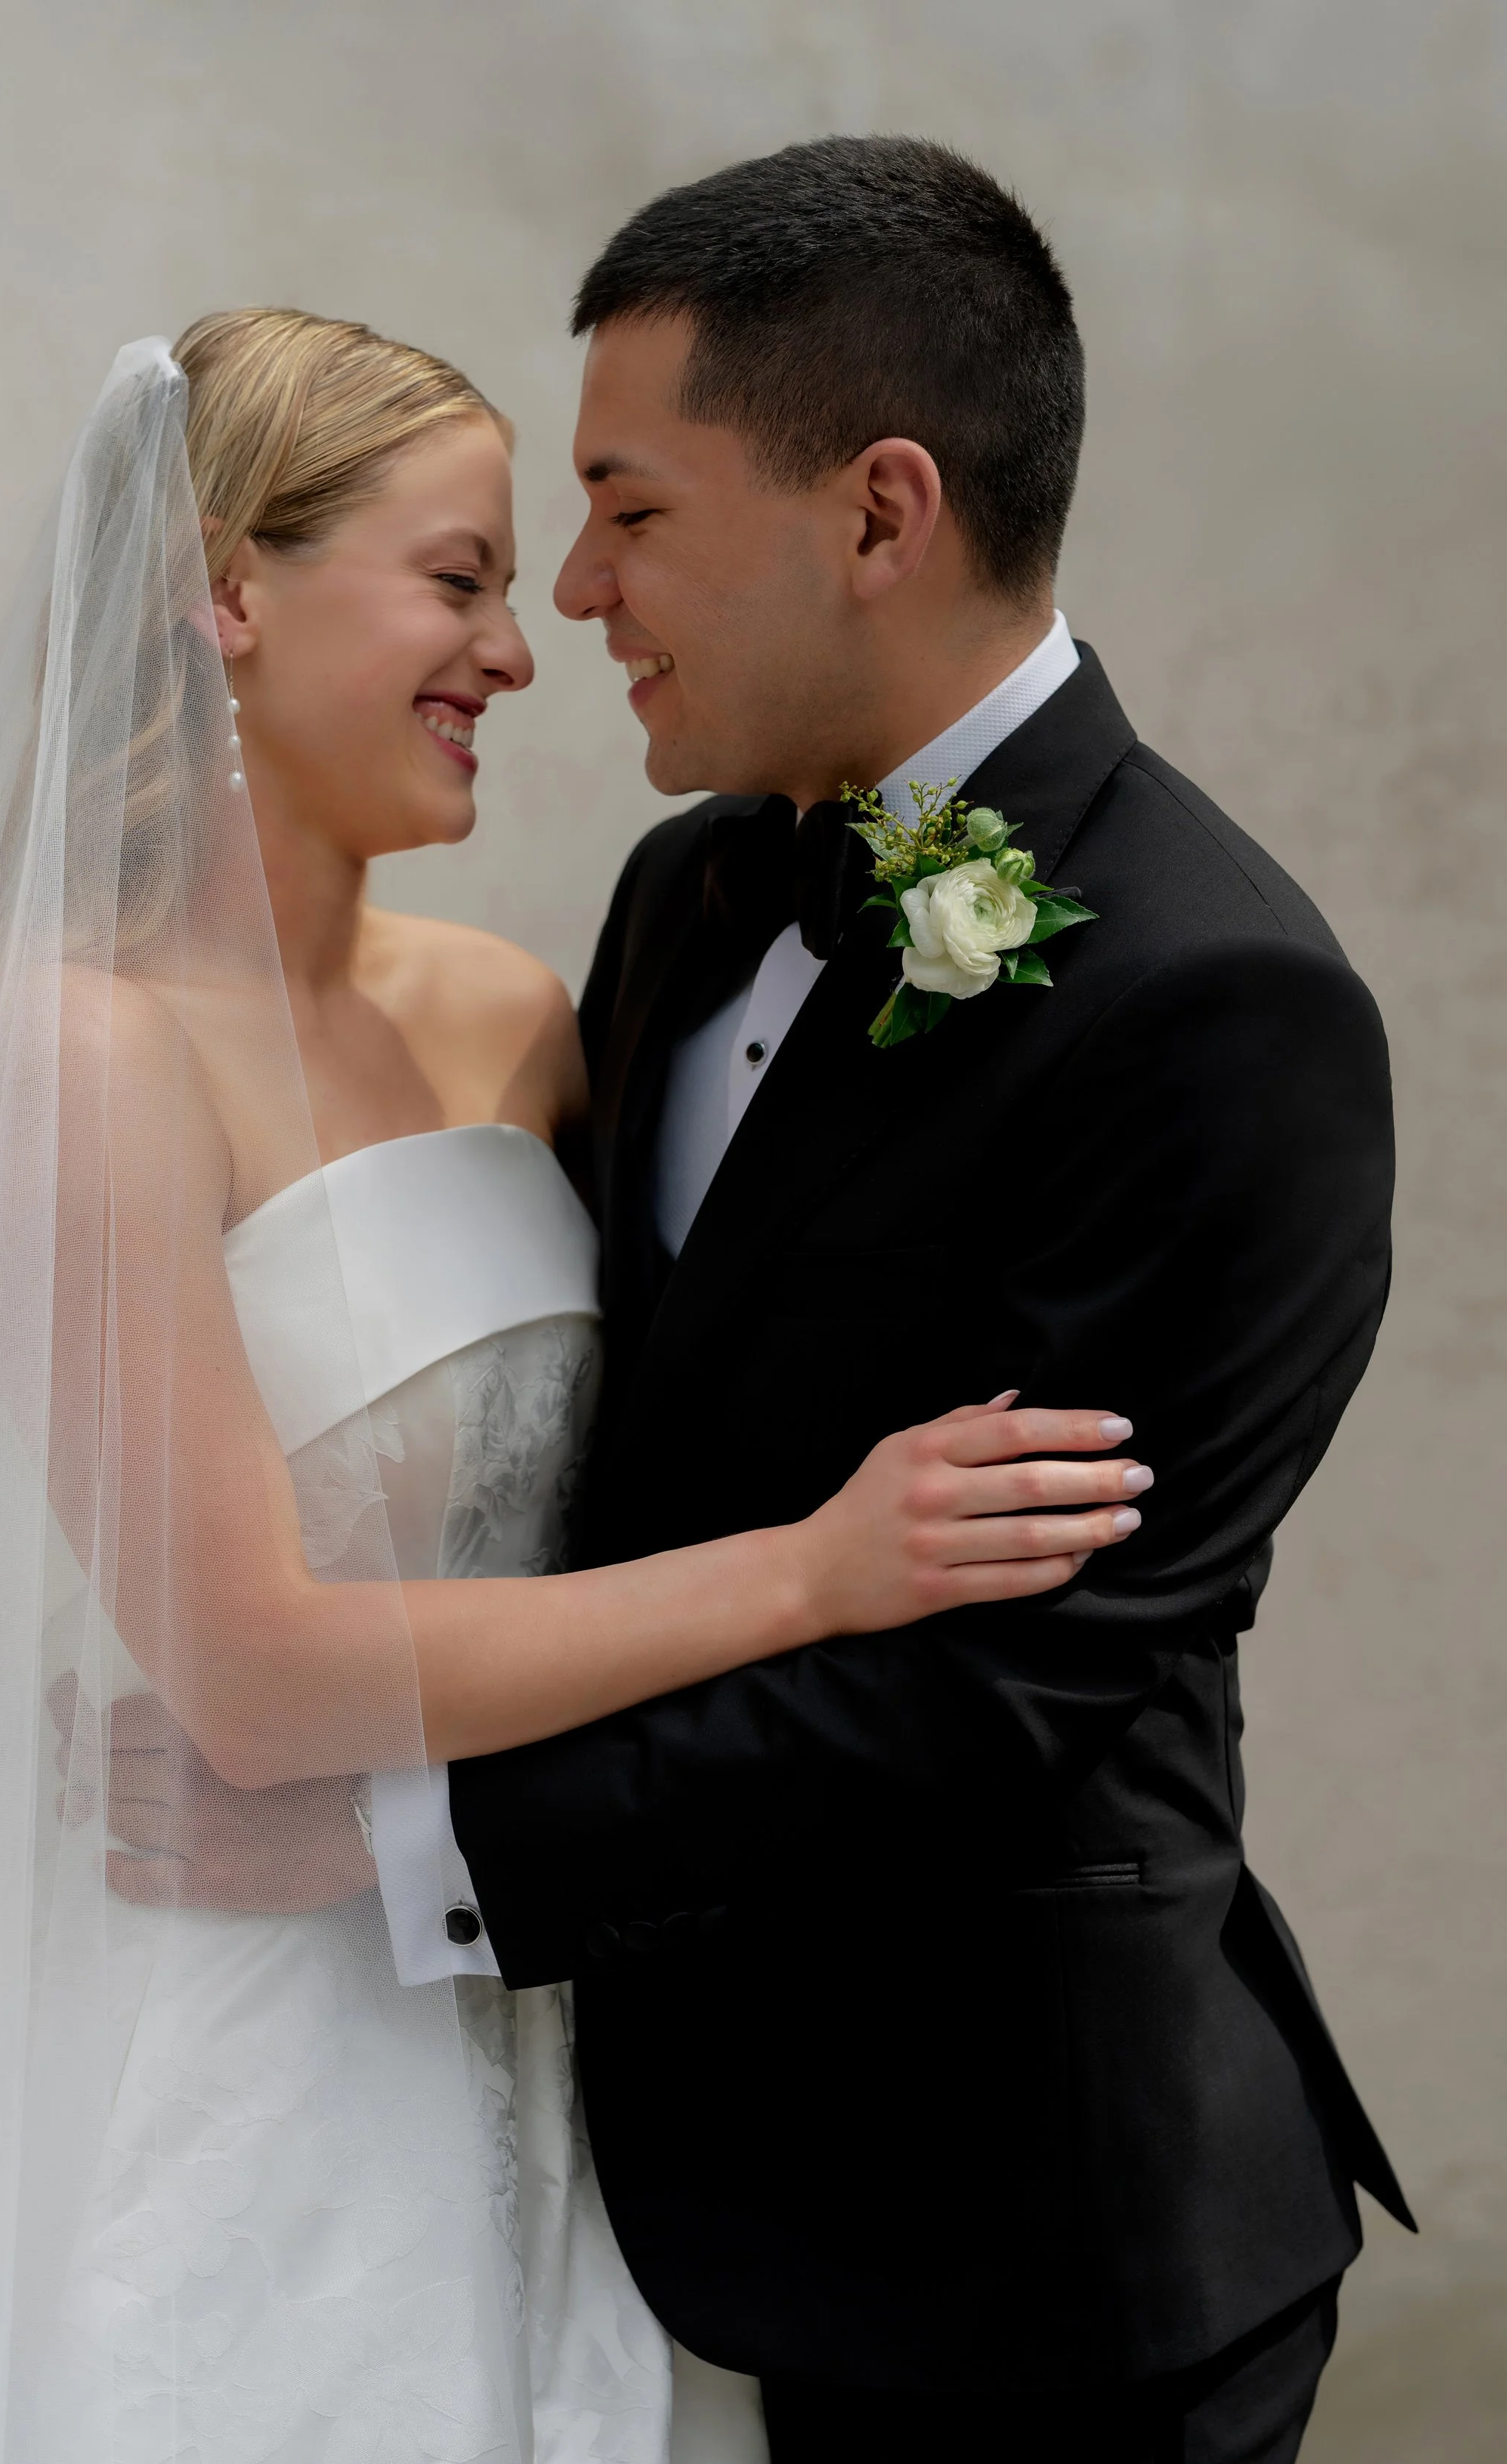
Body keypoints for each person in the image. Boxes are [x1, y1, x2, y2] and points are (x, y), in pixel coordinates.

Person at [0, 310, 1142, 2462]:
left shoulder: (519, 1012)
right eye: (455, 577)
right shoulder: (77, 1053)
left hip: (536, 2014)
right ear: (228, 593)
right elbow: (254, 1674)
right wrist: (815, 1575)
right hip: (221, 2030)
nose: (520, 647)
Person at [143, 142, 1414, 2464]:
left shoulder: (1223, 1004)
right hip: (618, 2185)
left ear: (877, 507)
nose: (575, 596)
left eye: (628, 509)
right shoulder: (692, 886)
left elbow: (1013, 1679)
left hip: (1027, 2241)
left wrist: (399, 1847)